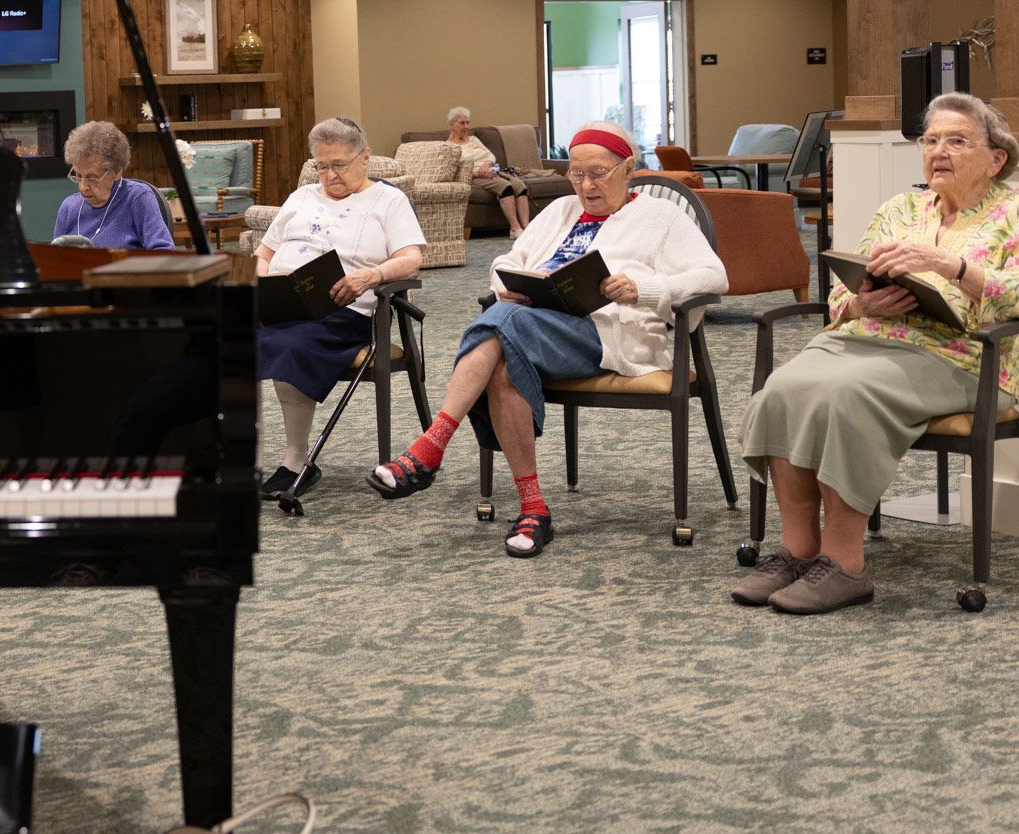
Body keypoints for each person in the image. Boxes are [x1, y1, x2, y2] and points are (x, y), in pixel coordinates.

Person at [734, 93, 1019, 614]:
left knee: (845, 395)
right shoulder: (900, 209)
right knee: (782, 391)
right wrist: (863, 302)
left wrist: (949, 266)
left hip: (964, 359)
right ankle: (798, 551)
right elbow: (842, 293)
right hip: (868, 338)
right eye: (931, 141)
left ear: (996, 157)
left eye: (957, 141)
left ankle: (845, 565)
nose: (938, 152)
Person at [369, 122, 727, 558]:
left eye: (598, 173)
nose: (586, 185)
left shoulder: (660, 216)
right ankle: (533, 508)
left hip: (610, 335)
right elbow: (507, 259)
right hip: (535, 327)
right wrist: (507, 283)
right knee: (504, 356)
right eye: (577, 175)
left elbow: (714, 277)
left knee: (503, 325)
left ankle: (431, 446)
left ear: (628, 168)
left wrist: (644, 288)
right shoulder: (560, 210)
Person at [257, 117, 425, 498]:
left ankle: (295, 461)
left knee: (290, 346)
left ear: (364, 158)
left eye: (339, 164)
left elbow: (411, 259)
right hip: (280, 303)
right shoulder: (301, 197)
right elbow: (263, 252)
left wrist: (370, 276)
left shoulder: (388, 200)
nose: (329, 175)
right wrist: (261, 283)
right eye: (321, 165)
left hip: (339, 312)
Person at [52, 119, 175, 250]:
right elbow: (55, 260)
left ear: (116, 172)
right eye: (78, 175)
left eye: (92, 178)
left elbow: (163, 252)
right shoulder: (69, 207)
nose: (83, 187)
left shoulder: (138, 198)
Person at [448, 105, 529, 237]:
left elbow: (491, 155)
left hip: (491, 170)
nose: (466, 126)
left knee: (520, 186)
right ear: (452, 124)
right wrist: (479, 172)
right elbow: (456, 168)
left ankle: (526, 227)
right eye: (462, 123)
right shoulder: (449, 146)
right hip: (475, 176)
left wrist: (487, 164)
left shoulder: (473, 139)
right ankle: (515, 228)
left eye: (468, 122)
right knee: (506, 187)